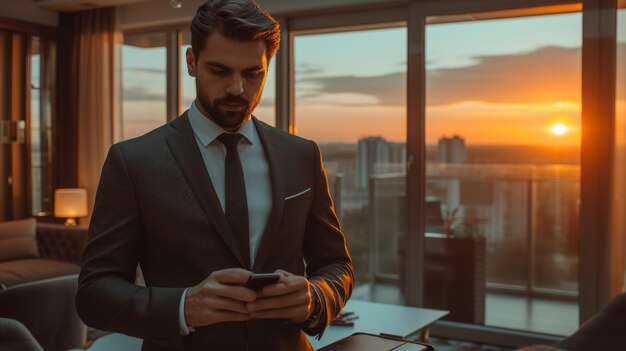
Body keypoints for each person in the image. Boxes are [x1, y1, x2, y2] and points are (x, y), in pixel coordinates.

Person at [75, 1, 354, 350]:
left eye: (253, 73)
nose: (237, 88)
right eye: (220, 70)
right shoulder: (133, 161)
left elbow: (336, 264)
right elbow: (94, 293)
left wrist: (316, 296)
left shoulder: (301, 154)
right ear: (191, 62)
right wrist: (183, 307)